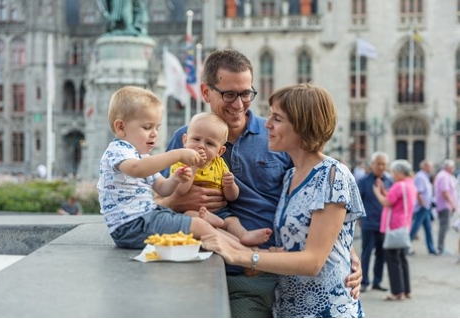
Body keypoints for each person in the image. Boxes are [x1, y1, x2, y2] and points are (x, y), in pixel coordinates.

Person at [157, 48, 362, 317]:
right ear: (206, 92)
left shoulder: (279, 138)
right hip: (206, 268)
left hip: (272, 274)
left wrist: (348, 252)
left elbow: (321, 201)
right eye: (229, 94)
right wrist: (176, 200)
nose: (239, 104)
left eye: (246, 93)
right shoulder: (186, 138)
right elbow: (155, 205)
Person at [200, 83, 365, 317]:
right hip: (289, 309)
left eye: (277, 119)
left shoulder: (332, 174)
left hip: (326, 311)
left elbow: (313, 261)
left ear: (301, 125)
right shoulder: (290, 177)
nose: (267, 124)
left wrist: (242, 256)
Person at [96, 86, 239, 249]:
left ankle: (246, 251)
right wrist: (177, 154)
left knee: (204, 227)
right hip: (131, 225)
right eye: (147, 127)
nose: (154, 133)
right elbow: (137, 169)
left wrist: (176, 179)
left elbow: (163, 189)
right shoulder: (118, 150)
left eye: (157, 127)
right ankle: (243, 256)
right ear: (121, 127)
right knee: (200, 226)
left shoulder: (142, 157)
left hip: (145, 218)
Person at [169, 112, 272, 246]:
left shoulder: (220, 164)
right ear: (185, 140)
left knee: (232, 220)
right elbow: (180, 191)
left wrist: (230, 185)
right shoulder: (180, 163)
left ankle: (244, 235)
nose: (201, 146)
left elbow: (231, 197)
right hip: (193, 212)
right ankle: (237, 244)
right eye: (196, 139)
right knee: (190, 215)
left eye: (210, 143)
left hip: (219, 212)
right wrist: (194, 166)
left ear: (220, 151)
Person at [373, 159, 417, 301]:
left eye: (394, 172)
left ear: (399, 173)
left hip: (393, 225)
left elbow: (387, 202)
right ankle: (406, 290)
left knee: (393, 260)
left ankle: (397, 292)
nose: (392, 175)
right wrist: (384, 190)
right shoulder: (410, 184)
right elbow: (395, 199)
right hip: (404, 224)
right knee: (402, 258)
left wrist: (377, 193)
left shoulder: (399, 185)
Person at [357, 151, 393, 292]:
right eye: (378, 164)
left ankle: (377, 281)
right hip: (369, 222)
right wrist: (359, 218)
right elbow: (357, 201)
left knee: (381, 253)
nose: (381, 167)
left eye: (383, 164)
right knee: (366, 253)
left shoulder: (389, 181)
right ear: (372, 165)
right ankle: (364, 281)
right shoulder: (363, 182)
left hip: (384, 224)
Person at [409, 159, 437, 255]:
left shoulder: (425, 176)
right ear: (424, 166)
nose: (431, 168)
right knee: (415, 227)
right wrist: (422, 204)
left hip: (427, 206)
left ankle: (431, 248)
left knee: (428, 228)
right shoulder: (421, 177)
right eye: (429, 166)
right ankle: (406, 247)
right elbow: (419, 192)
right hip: (422, 207)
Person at [433, 159, 458, 255]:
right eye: (452, 167)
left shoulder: (445, 175)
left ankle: (441, 246)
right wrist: (452, 204)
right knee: (444, 226)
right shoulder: (444, 176)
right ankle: (441, 247)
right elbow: (445, 192)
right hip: (444, 205)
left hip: (445, 205)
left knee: (444, 226)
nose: (454, 169)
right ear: (448, 167)